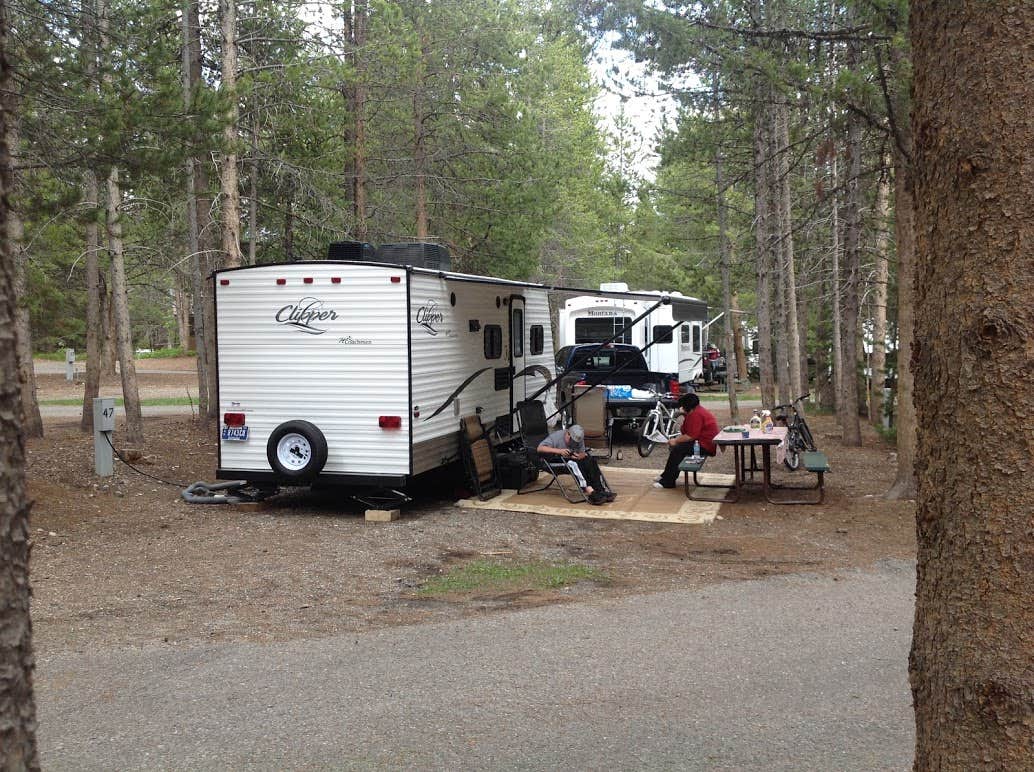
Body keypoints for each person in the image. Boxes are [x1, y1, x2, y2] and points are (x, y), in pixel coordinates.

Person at [654, 393, 720, 489]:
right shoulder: (695, 411)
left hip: (704, 446)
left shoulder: (696, 414)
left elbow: (691, 436)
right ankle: (666, 476)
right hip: (701, 443)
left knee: (678, 449)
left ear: (686, 406)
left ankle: (668, 481)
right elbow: (684, 430)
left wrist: (676, 440)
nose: (680, 408)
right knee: (677, 449)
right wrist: (684, 415)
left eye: (682, 406)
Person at [537, 424, 615, 505]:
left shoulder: (579, 438)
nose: (573, 443)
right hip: (553, 460)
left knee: (590, 460)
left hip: (571, 459)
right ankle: (590, 492)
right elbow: (540, 448)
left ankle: (600, 490)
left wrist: (580, 455)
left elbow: (582, 453)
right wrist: (559, 451)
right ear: (568, 433)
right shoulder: (556, 437)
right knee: (574, 464)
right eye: (572, 440)